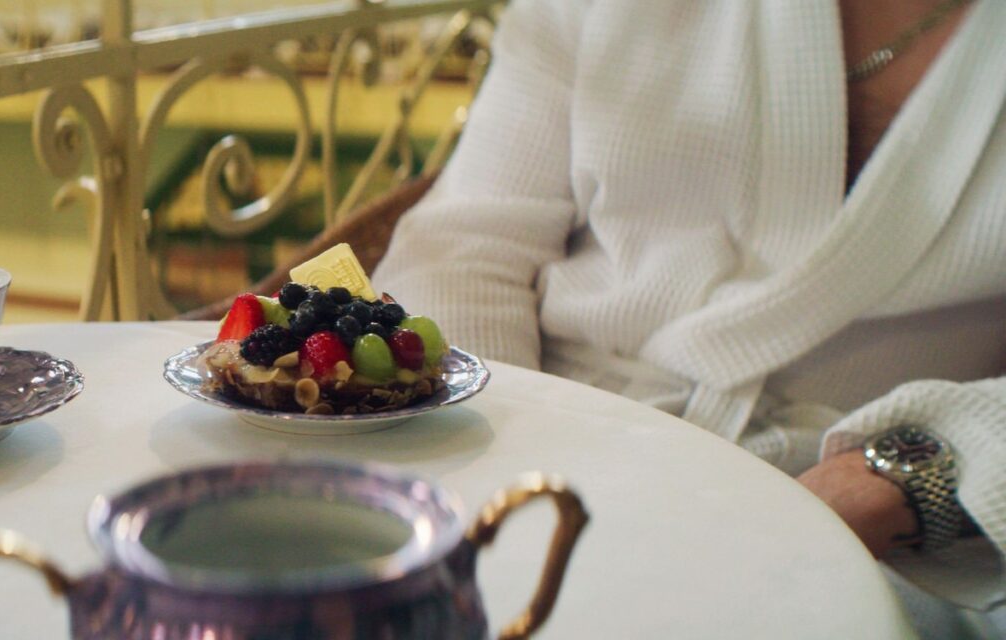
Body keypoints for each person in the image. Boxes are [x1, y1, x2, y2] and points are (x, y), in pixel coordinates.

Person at [372, 0, 1006, 635]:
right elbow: (464, 246)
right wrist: (512, 455)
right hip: (556, 459)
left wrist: (911, 473)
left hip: (878, 528)